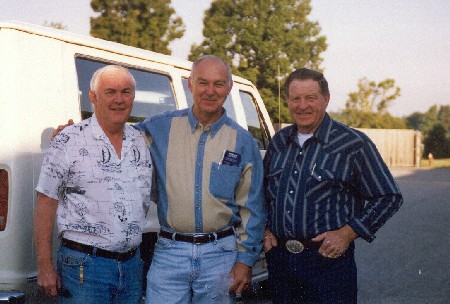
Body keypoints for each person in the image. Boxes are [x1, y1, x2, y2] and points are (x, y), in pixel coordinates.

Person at [263, 68, 403, 303]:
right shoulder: (279, 142)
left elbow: (388, 196)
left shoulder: (352, 144)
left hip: (327, 263)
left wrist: (347, 233)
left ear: (326, 99)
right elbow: (263, 193)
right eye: (295, 98)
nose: (302, 105)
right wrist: (266, 228)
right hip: (280, 263)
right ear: (287, 100)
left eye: (311, 98)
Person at [136, 55, 266, 303]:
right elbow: (113, 135)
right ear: (190, 84)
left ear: (228, 88)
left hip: (221, 255)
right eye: (203, 82)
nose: (210, 91)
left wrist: (245, 261)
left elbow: (253, 207)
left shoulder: (243, 141)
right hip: (169, 254)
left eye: (218, 84)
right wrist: (74, 133)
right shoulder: (158, 128)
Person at [34, 65, 153, 303]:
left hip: (131, 267)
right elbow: (45, 203)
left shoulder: (140, 141)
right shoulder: (68, 140)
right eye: (110, 92)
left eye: (126, 92)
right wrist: (44, 266)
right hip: (85, 268)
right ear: (93, 97)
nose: (119, 100)